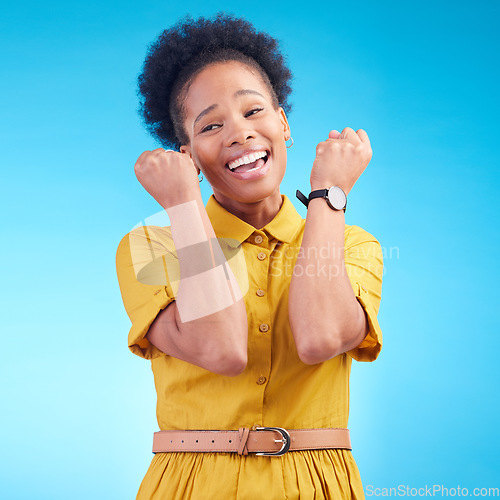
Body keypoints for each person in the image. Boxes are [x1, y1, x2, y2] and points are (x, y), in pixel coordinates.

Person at [116, 13, 383, 500]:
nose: (239, 133)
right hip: (194, 484)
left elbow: (320, 338)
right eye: (211, 125)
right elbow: (223, 350)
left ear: (283, 123)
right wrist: (182, 205)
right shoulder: (151, 247)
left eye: (254, 111)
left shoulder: (352, 244)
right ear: (188, 155)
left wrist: (329, 196)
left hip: (317, 485)